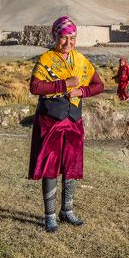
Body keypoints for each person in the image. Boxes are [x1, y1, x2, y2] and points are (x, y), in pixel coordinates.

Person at [28, 16, 104, 233]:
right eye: (64, 38)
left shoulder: (81, 60)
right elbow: (35, 87)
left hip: (74, 120)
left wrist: (82, 91)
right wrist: (64, 84)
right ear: (55, 37)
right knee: (50, 167)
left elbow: (99, 85)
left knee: (71, 166)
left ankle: (67, 210)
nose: (68, 42)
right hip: (50, 121)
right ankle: (49, 216)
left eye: (72, 38)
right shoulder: (46, 59)